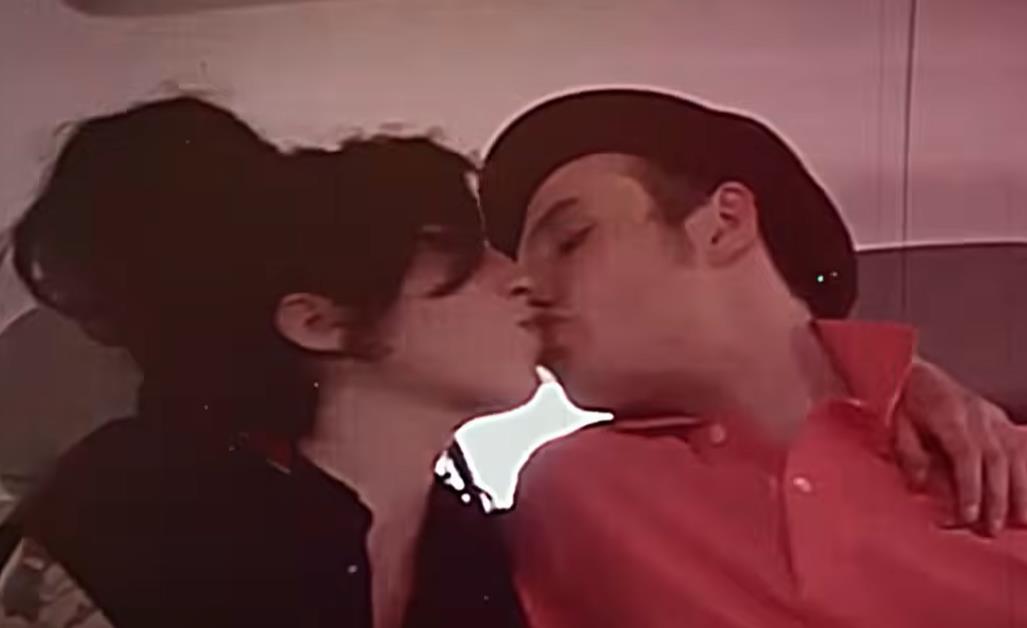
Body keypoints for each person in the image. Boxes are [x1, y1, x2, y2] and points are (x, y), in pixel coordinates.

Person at [478, 87, 1027, 627]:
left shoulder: (995, 470)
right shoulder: (573, 493)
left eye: (571, 239)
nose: (529, 290)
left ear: (725, 223)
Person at [0, 97, 529, 627]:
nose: (520, 277)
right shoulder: (136, 509)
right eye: (462, 252)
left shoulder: (468, 551)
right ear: (319, 322)